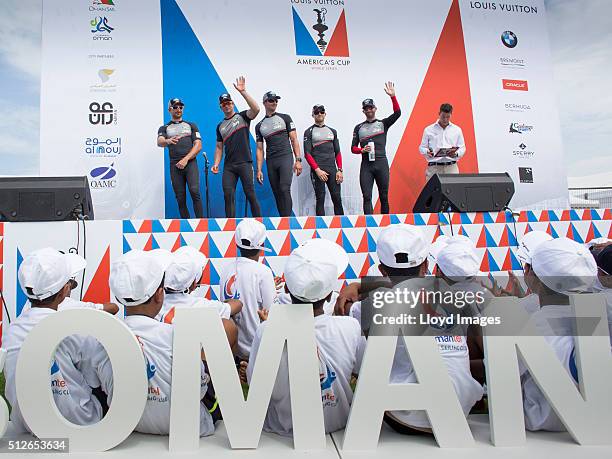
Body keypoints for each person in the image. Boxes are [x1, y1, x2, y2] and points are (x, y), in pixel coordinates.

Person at [335, 224, 484, 435]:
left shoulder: (372, 304)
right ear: (426, 266)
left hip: (408, 415)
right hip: (459, 407)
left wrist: (357, 286)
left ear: (381, 271)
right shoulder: (453, 295)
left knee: (353, 335)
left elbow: (343, 309)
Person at [247, 239, 366, 435]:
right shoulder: (351, 327)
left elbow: (255, 383)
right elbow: (364, 371)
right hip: (337, 427)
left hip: (283, 432)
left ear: (286, 289)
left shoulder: (266, 330)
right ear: (330, 296)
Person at [108, 249, 221, 435]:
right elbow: (199, 389)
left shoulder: (109, 335)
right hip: (187, 429)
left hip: (130, 427)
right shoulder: (176, 336)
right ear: (160, 294)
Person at [3, 248, 113, 433]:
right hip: (78, 422)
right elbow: (96, 381)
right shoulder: (76, 330)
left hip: (25, 424)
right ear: (64, 291)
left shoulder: (11, 331)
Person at [520, 237, 600, 431]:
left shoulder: (522, 327)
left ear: (532, 275)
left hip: (537, 424)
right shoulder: (601, 320)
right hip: (597, 425)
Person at [154, 248, 241, 352]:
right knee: (229, 324)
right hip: (192, 361)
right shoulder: (200, 305)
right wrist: (223, 304)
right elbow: (237, 305)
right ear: (194, 282)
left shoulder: (154, 304)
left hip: (161, 360)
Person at [219, 219, 276, 361]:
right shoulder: (263, 272)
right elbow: (271, 313)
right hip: (257, 349)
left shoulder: (226, 270)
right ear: (261, 244)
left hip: (233, 349)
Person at [212, 77, 262, 218]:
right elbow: (219, 147)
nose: (226, 105)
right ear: (221, 107)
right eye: (223, 104)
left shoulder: (243, 117)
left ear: (232, 104)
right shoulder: (220, 126)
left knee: (250, 194)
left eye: (228, 103)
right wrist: (216, 163)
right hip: (229, 166)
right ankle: (230, 227)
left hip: (245, 163)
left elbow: (256, 109)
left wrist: (243, 92)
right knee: (228, 196)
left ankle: (259, 224)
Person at [351, 82, 401, 215]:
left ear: (375, 108)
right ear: (363, 111)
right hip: (366, 166)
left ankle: (385, 224)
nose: (369, 110)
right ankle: (369, 225)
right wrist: (361, 150)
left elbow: (397, 113)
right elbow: (353, 148)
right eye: (366, 108)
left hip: (381, 163)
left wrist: (393, 97)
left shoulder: (383, 124)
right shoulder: (359, 127)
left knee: (384, 196)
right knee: (366, 197)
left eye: (371, 107)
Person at [255, 91, 303, 217]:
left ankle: (288, 221)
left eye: (276, 100)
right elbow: (260, 149)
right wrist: (259, 170)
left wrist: (298, 160)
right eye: (271, 100)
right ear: (265, 103)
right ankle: (283, 221)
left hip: (285, 157)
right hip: (271, 161)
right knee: (276, 192)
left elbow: (294, 139)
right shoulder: (259, 125)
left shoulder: (285, 118)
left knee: (284, 188)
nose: (275, 102)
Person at [157, 98, 204, 218]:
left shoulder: (191, 125)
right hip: (175, 166)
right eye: (175, 107)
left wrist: (186, 159)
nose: (178, 109)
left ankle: (201, 224)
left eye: (180, 107)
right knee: (180, 196)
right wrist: (167, 140)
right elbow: (160, 141)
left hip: (190, 163)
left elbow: (198, 145)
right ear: (169, 109)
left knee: (194, 191)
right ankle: (187, 224)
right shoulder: (164, 128)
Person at [303, 104, 344, 216]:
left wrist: (340, 170)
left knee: (337, 198)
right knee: (320, 198)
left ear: (325, 114)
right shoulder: (308, 132)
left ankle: (342, 227)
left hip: (332, 169)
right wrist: (317, 170)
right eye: (316, 112)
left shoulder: (332, 131)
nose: (319, 114)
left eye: (321, 112)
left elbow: (338, 152)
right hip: (318, 170)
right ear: (313, 115)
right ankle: (320, 230)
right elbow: (307, 154)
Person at [419, 103, 466, 182]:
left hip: (451, 167)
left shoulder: (457, 130)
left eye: (448, 117)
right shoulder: (428, 129)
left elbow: (462, 148)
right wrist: (427, 151)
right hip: (434, 167)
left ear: (451, 114)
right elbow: (421, 147)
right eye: (443, 116)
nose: (445, 119)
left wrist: (456, 154)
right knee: (432, 193)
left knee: (453, 192)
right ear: (439, 114)